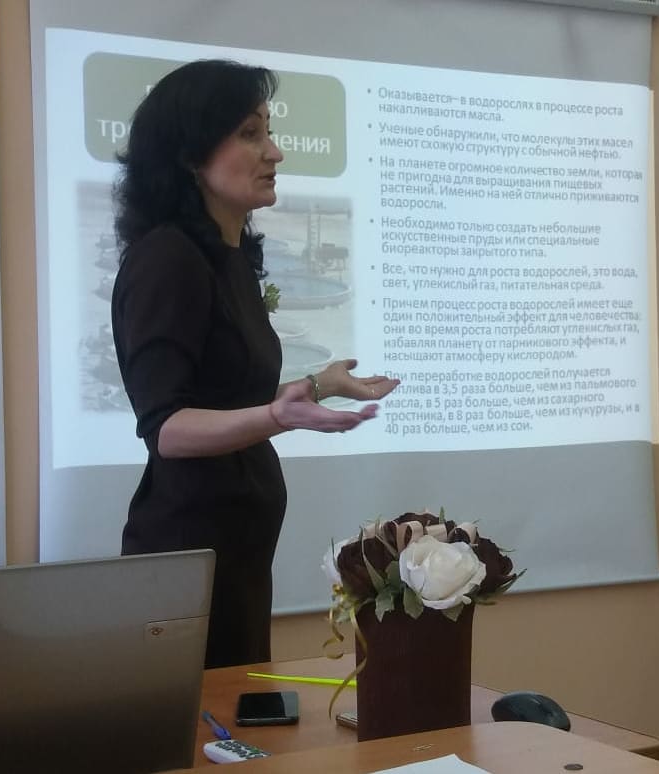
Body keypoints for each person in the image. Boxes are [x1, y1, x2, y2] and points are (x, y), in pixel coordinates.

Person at [111, 59, 399, 668]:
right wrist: (277, 416)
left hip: (237, 555)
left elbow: (226, 393)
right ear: (191, 155)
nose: (275, 152)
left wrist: (319, 383)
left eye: (269, 130)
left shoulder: (230, 258)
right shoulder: (167, 260)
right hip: (187, 563)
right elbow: (168, 429)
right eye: (250, 133)